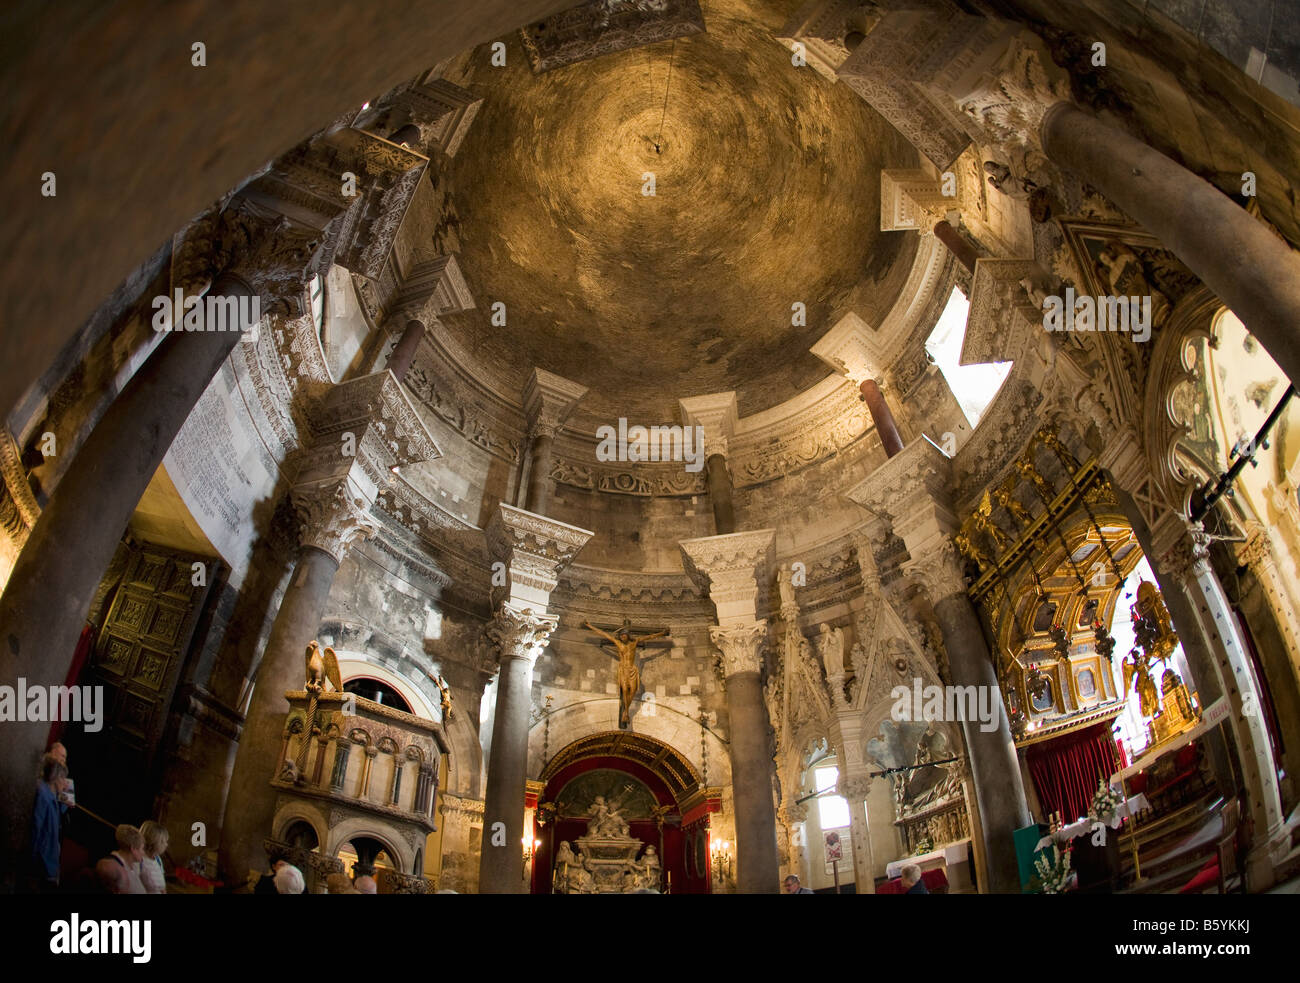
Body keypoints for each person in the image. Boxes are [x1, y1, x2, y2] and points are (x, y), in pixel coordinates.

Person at [29, 756, 69, 891]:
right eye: (63, 779)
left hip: (48, 861)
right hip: (41, 863)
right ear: (55, 778)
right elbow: (36, 828)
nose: (65, 784)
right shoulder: (43, 795)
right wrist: (32, 860)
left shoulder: (52, 795)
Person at [96, 825, 147, 894]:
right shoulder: (112, 867)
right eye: (142, 849)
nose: (144, 853)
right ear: (133, 849)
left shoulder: (135, 865)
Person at [138, 821, 169, 894]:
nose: (166, 845)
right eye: (163, 841)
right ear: (153, 842)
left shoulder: (157, 859)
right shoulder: (139, 861)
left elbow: (162, 884)